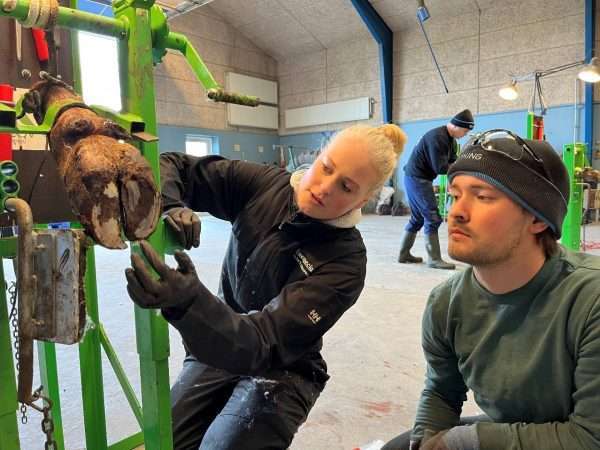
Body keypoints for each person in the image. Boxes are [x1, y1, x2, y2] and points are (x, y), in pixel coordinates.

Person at [125, 123, 407, 449]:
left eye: (346, 186)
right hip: (217, 347)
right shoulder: (263, 185)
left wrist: (189, 303)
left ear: (365, 198)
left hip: (285, 368)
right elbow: (174, 165)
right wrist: (171, 205)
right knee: (164, 440)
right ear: (318, 157)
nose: (325, 187)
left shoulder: (345, 263)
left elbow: (263, 342)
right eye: (326, 167)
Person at [383, 130, 600, 450]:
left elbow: (590, 437)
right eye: (455, 195)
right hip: (522, 428)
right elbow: (442, 390)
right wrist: (426, 439)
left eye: (482, 196)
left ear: (538, 219)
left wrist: (465, 441)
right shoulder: (445, 304)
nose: (455, 212)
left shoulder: (589, 300)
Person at [398, 109, 474, 269]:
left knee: (418, 218)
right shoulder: (437, 137)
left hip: (418, 178)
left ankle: (403, 255)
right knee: (432, 217)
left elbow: (454, 162)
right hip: (416, 178)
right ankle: (434, 259)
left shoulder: (451, 140)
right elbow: (440, 167)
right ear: (457, 126)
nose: (465, 134)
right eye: (465, 131)